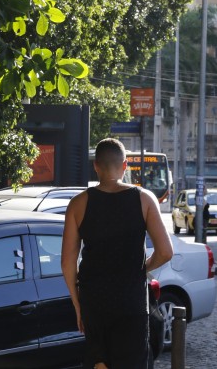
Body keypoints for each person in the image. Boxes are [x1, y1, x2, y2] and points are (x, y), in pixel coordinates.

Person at [62, 138, 173, 369]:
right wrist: (144, 267)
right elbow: (165, 252)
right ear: (125, 166)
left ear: (96, 166)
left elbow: (67, 262)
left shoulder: (78, 204)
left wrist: (77, 303)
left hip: (94, 302)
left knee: (98, 363)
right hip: (131, 302)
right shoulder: (144, 199)